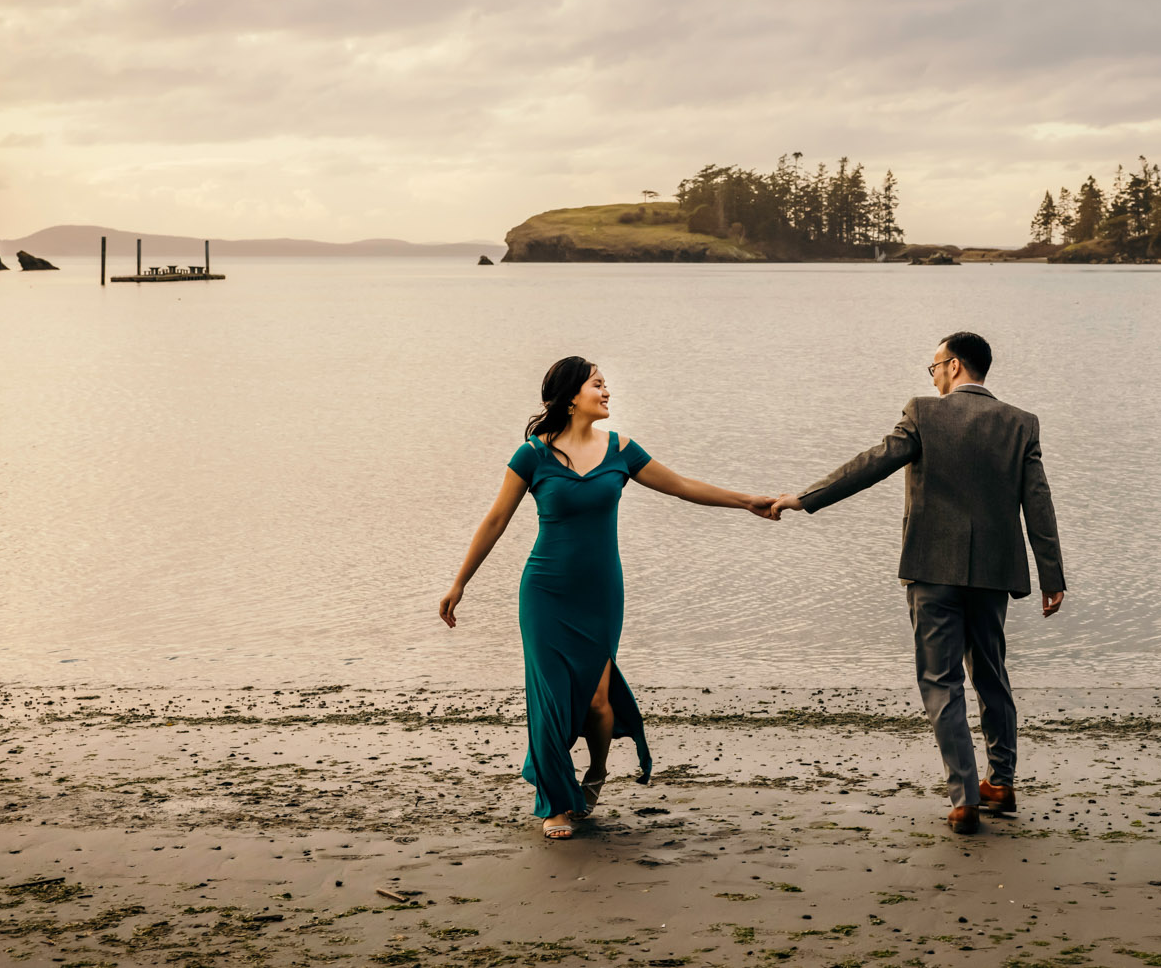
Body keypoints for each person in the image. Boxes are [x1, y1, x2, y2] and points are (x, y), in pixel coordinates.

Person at [441, 355, 776, 840]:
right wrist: (460, 582)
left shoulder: (621, 449)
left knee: (599, 701)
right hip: (545, 592)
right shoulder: (532, 456)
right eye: (598, 385)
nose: (607, 392)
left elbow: (681, 486)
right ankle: (555, 803)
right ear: (572, 395)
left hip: (600, 592)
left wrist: (746, 501)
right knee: (552, 698)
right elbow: (495, 521)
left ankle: (596, 772)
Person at [769, 331, 1065, 834]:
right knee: (991, 672)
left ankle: (965, 796)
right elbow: (1038, 502)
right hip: (993, 574)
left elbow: (874, 463)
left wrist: (806, 497)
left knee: (940, 680)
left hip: (932, 569)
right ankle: (1003, 779)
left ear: (952, 366)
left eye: (934, 367)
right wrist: (1051, 576)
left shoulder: (925, 413)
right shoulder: (1021, 424)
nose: (933, 376)